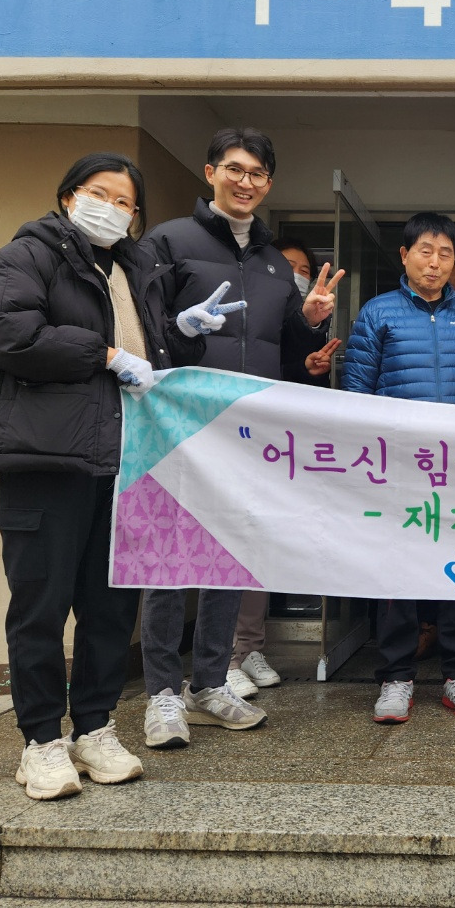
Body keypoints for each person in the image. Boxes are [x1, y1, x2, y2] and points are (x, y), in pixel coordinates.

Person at [0, 152, 210, 800]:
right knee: (41, 608)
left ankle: (95, 728)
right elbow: (6, 332)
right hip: (47, 462)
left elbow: (147, 359)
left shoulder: (133, 271)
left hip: (124, 463)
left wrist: (182, 335)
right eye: (100, 194)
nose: (112, 209)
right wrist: (102, 353)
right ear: (69, 196)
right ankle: (41, 741)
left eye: (126, 202)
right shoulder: (28, 256)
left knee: (109, 610)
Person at [139, 128, 341, 750]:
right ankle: (162, 694)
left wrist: (309, 323)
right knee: (170, 559)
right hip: (177, 424)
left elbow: (288, 350)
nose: (245, 182)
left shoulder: (276, 263)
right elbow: (141, 328)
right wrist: (179, 331)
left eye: (257, 174)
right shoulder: (168, 241)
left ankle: (208, 682)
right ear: (210, 173)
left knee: (228, 555)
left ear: (269, 184)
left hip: (246, 430)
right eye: (234, 169)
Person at [342, 212, 455, 723]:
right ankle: (395, 677)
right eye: (425, 251)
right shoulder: (378, 312)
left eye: (445, 254)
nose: (435, 263)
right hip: (399, 468)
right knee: (397, 572)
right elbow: (355, 394)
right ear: (405, 255)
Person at [227, 236, 342, 701]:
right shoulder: (242, 307)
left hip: (275, 445)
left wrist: (310, 368)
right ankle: (223, 659)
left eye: (303, 268)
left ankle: (250, 647)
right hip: (232, 435)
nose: (295, 274)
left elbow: (294, 373)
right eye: (286, 265)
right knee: (228, 543)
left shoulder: (305, 318)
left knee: (258, 544)